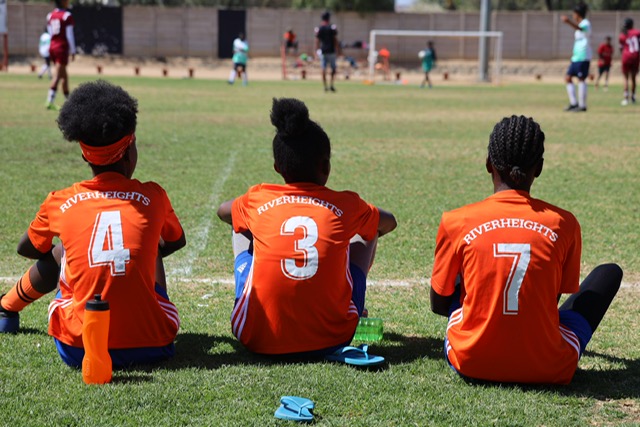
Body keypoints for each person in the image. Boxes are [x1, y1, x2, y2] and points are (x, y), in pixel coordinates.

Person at [0, 80, 187, 370]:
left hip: (80, 348)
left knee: (63, 250)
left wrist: (72, 253)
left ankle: (6, 308)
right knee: (153, 245)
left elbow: (26, 248)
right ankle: (141, 321)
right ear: (129, 151)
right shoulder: (154, 195)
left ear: (84, 155)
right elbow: (176, 241)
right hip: (154, 346)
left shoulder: (60, 201)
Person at [429, 115, 622, 385]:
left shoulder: (456, 220)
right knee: (609, 272)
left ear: (488, 164)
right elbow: (551, 301)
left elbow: (439, 304)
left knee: (460, 279)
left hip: (472, 360)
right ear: (539, 168)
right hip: (548, 366)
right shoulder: (563, 223)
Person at [217, 98, 397, 359]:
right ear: (326, 166)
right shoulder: (347, 204)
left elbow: (222, 211)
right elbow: (389, 222)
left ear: (278, 168)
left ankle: (253, 303)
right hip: (332, 336)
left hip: (257, 336)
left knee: (240, 224)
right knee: (368, 229)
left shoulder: (257, 198)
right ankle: (343, 302)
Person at [45, 0, 76, 110]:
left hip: (52, 47)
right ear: (62, 2)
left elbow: (50, 34)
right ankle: (50, 101)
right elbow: (69, 35)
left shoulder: (50, 16)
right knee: (57, 75)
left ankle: (69, 103)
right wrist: (73, 50)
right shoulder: (67, 16)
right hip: (61, 48)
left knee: (64, 76)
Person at [561, 3, 592, 112]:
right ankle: (574, 103)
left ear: (578, 14)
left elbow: (580, 28)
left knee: (581, 79)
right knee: (568, 78)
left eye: (574, 13)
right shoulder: (580, 24)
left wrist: (568, 22)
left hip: (583, 56)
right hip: (576, 57)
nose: (573, 15)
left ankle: (582, 105)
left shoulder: (586, 23)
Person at [315, 11, 340, 92]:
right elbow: (335, 39)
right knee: (333, 68)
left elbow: (317, 40)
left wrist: (316, 50)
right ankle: (331, 85)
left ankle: (325, 86)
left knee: (323, 68)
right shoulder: (332, 27)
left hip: (323, 51)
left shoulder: (320, 28)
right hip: (331, 51)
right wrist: (338, 49)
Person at [619, 18, 640, 106]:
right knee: (633, 78)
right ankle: (633, 97)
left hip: (626, 57)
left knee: (626, 78)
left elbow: (621, 48)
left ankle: (626, 98)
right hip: (635, 57)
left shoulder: (622, 35)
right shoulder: (637, 33)